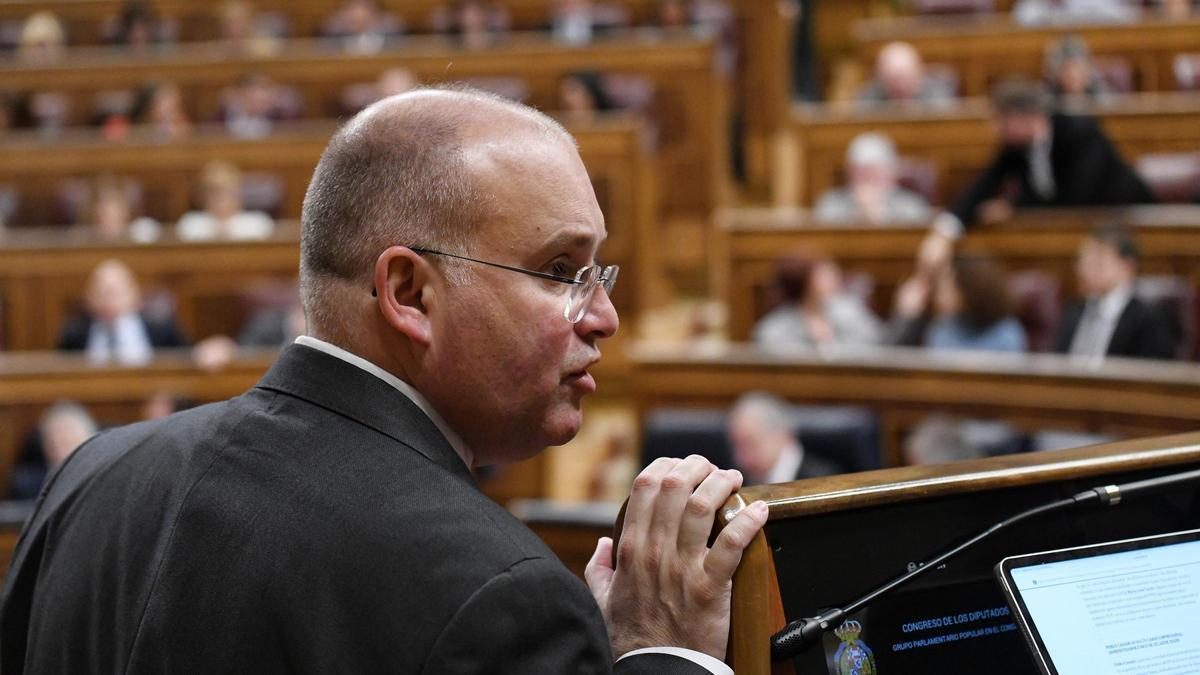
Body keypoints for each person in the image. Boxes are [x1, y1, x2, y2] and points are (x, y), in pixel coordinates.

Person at [1, 88, 768, 674]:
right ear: (408, 293)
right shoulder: (501, 594)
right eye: (561, 271)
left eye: (598, 272)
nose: (604, 316)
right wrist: (660, 657)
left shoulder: (88, 479)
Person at [920, 78, 1156, 266]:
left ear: (1024, 118)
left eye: (1001, 120)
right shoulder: (1014, 147)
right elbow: (982, 185)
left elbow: (1075, 196)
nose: (995, 129)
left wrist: (1015, 208)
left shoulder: (1080, 132)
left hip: (1130, 217)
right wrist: (946, 230)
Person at [1054, 225, 1177, 360]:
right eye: (1084, 260)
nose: (1086, 269)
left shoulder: (1149, 317)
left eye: (1098, 261)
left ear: (1127, 266)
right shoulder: (1073, 310)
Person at [57, 259, 188, 365]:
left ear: (134, 294)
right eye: (102, 293)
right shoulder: (75, 332)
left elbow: (188, 358)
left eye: (115, 292)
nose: (108, 300)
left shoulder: (160, 327)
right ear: (89, 297)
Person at [892, 254, 1028, 353]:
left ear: (969, 289)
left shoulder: (1006, 333)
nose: (939, 292)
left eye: (948, 284)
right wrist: (908, 318)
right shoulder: (942, 328)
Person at [751, 252, 883, 349]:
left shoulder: (849, 310)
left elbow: (879, 343)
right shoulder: (775, 328)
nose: (835, 277)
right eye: (824, 274)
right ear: (805, 282)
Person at [813, 132, 932, 226]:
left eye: (873, 173)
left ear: (890, 172)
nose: (867, 180)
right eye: (860, 173)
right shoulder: (831, 203)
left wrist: (879, 215)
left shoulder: (910, 205)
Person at [726, 392, 841, 484]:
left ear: (782, 436)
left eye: (750, 445)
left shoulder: (825, 481)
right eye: (736, 446)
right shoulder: (740, 480)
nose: (741, 459)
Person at [175, 160, 275, 241]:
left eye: (229, 193)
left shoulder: (259, 223)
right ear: (202, 197)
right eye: (216, 194)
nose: (223, 200)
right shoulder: (190, 224)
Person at [857, 41, 955, 108]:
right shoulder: (868, 98)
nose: (899, 86)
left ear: (918, 74)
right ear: (880, 77)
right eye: (892, 80)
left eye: (904, 79)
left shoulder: (937, 97)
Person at [1043, 35, 1112, 104]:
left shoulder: (1098, 91)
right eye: (1067, 75)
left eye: (1078, 72)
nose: (1073, 76)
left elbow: (1109, 105)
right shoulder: (1048, 94)